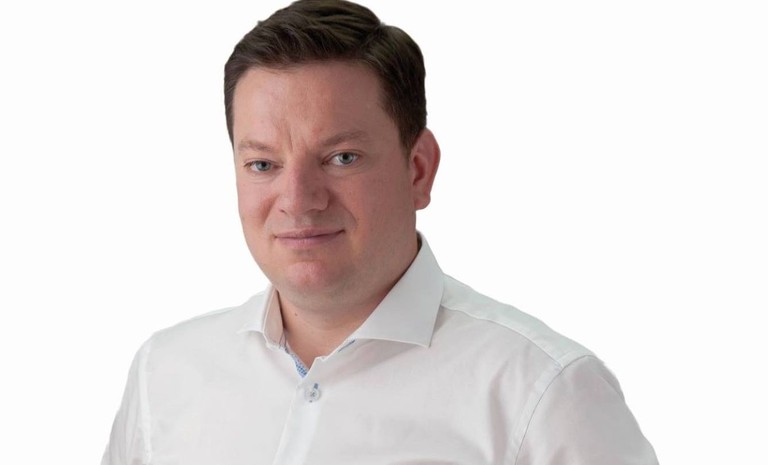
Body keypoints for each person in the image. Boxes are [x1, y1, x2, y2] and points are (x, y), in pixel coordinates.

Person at [102, 1, 658, 464]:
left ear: (418, 169)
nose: (298, 199)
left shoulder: (543, 397)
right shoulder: (164, 375)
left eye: (342, 157)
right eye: (263, 164)